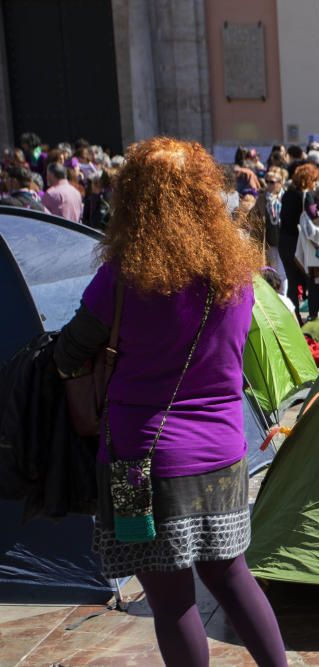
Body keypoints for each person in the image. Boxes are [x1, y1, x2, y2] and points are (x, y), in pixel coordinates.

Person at [52, 137, 287, 667]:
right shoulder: (238, 276)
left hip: (138, 463)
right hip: (225, 452)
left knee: (172, 601)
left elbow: (69, 351)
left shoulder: (122, 277)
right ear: (206, 193)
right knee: (232, 576)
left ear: (135, 197)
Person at [279, 163, 319, 317]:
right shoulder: (306, 196)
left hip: (285, 243)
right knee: (312, 281)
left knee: (292, 281)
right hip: (300, 244)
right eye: (314, 180)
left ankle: (294, 317)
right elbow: (314, 218)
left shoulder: (287, 194)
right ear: (308, 180)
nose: (315, 184)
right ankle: (314, 316)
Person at [295, 177, 319, 319]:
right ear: (318, 194)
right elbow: (311, 233)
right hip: (316, 257)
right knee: (314, 288)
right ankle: (314, 318)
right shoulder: (311, 213)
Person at [253, 167, 287, 294]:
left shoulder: (285, 198)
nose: (268, 185)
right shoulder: (262, 199)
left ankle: (283, 297)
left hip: (284, 241)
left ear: (280, 183)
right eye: (267, 181)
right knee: (273, 271)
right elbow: (253, 217)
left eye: (272, 182)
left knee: (283, 272)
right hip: (270, 242)